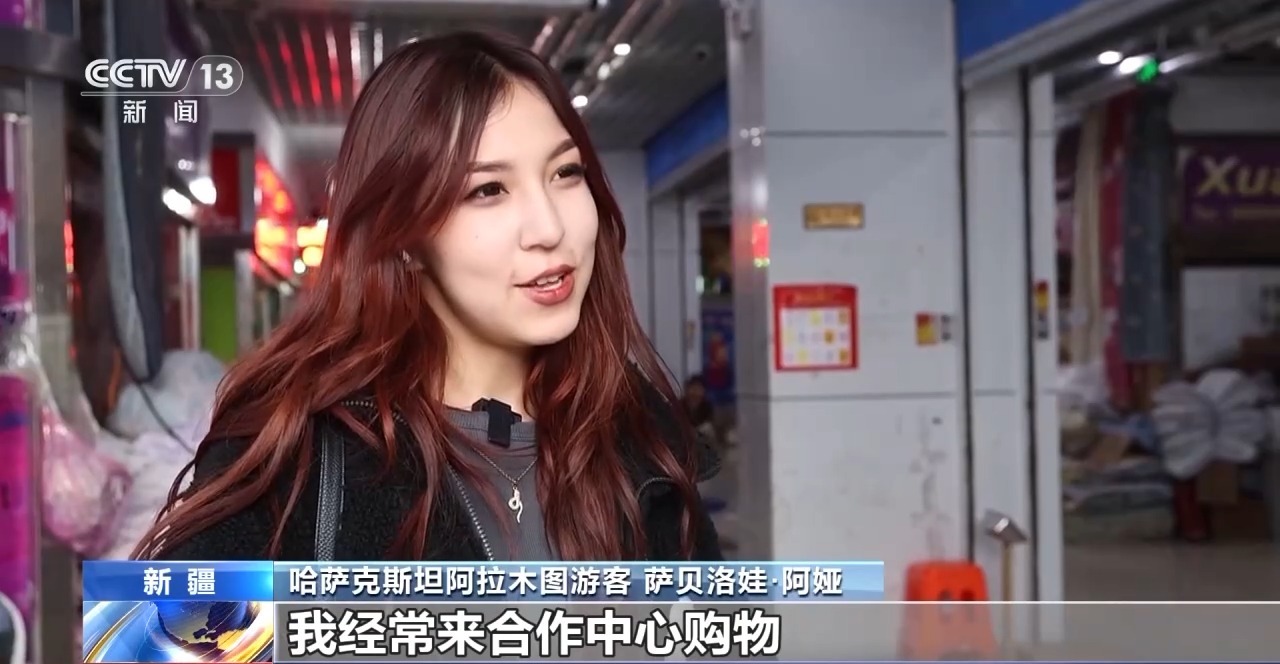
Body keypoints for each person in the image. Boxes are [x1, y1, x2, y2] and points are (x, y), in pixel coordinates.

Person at [132, 31, 721, 562]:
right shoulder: (298, 457)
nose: (549, 228)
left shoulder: (644, 440)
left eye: (565, 173)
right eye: (488, 190)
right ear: (406, 238)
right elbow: (159, 635)